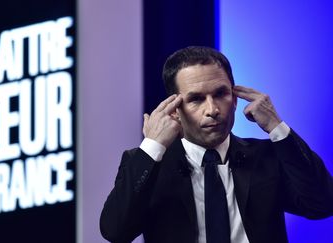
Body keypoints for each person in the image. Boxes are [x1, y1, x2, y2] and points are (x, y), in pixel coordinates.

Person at [100, 46, 333, 243]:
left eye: (221, 93)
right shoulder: (148, 164)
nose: (212, 110)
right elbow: (115, 232)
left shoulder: (266, 155)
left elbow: (323, 204)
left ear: (235, 99)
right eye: (196, 99)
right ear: (175, 109)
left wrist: (277, 127)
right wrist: (152, 146)